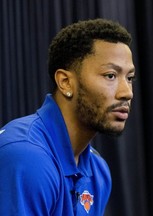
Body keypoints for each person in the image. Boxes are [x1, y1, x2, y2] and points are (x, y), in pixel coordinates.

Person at [0, 18, 135, 215]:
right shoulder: (26, 156)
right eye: (110, 76)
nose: (127, 92)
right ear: (65, 82)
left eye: (130, 78)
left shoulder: (98, 171)